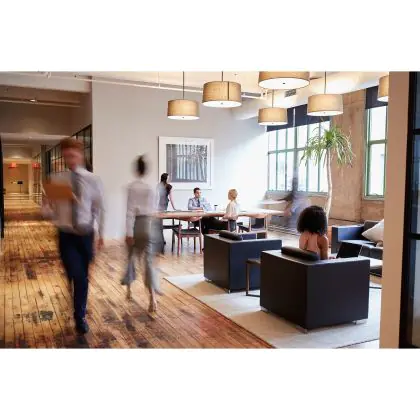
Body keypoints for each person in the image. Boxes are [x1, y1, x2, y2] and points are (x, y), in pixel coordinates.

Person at [42, 138, 105, 334]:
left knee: (82, 277)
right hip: (66, 234)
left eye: (73, 155)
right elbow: (48, 210)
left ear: (80, 155)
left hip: (85, 234)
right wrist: (47, 208)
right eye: (66, 156)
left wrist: (101, 234)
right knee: (76, 273)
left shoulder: (93, 180)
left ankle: (80, 316)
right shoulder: (56, 179)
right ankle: (78, 307)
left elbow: (99, 208)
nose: (70, 159)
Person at [123, 155, 161, 313]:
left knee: (131, 258)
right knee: (149, 263)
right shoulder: (151, 188)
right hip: (149, 226)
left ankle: (129, 291)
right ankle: (153, 299)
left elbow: (130, 211)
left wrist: (128, 232)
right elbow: (154, 209)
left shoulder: (132, 187)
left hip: (137, 225)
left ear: (136, 170)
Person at [156, 173, 176, 253]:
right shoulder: (168, 186)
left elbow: (157, 197)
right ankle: (161, 239)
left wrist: (174, 208)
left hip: (161, 205)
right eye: (168, 178)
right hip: (162, 205)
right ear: (165, 178)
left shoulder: (159, 186)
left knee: (159, 222)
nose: (169, 179)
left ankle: (160, 239)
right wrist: (174, 208)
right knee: (159, 222)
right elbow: (171, 198)